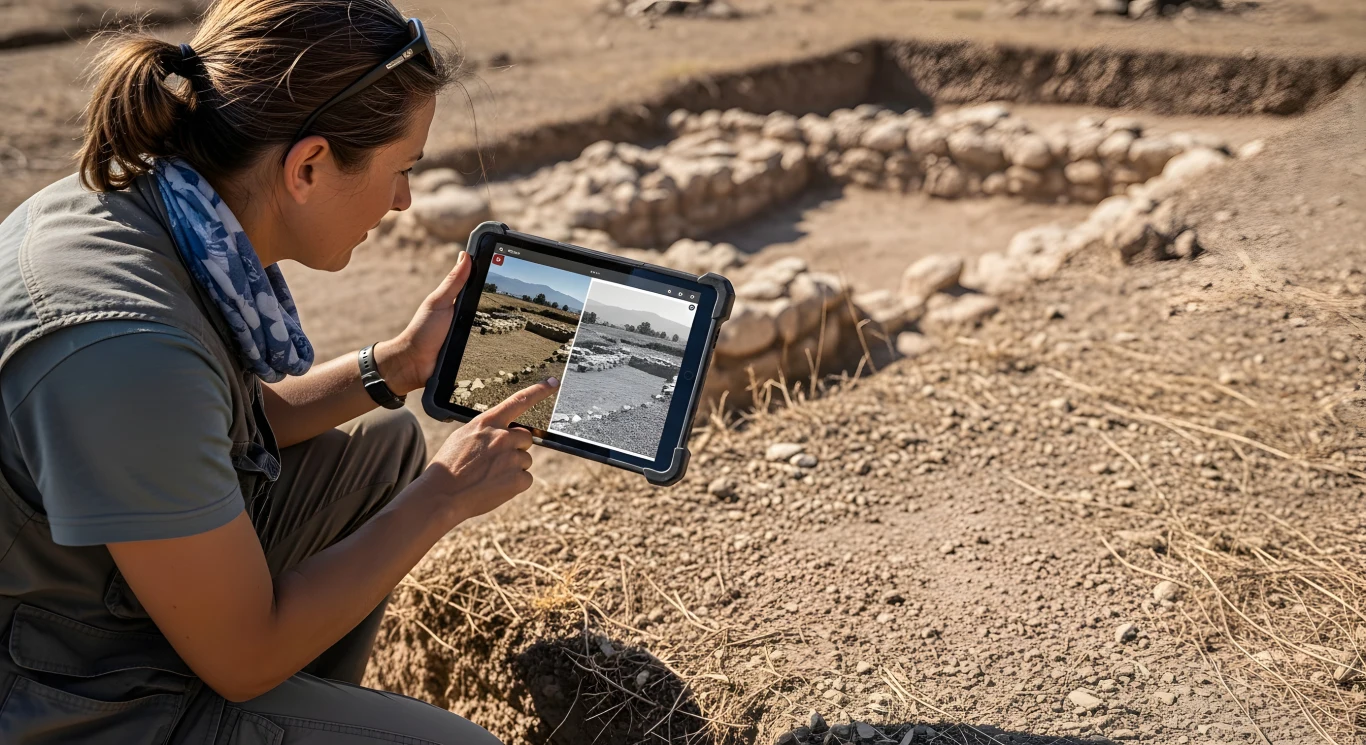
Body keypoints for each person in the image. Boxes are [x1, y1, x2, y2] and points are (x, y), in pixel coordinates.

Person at [0, 0, 551, 742]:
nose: (402, 200)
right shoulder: (126, 349)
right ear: (308, 167)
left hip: (90, 604)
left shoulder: (142, 200)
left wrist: (398, 363)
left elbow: (219, 424)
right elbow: (244, 658)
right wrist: (444, 495)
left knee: (382, 449)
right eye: (400, 169)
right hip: (56, 688)